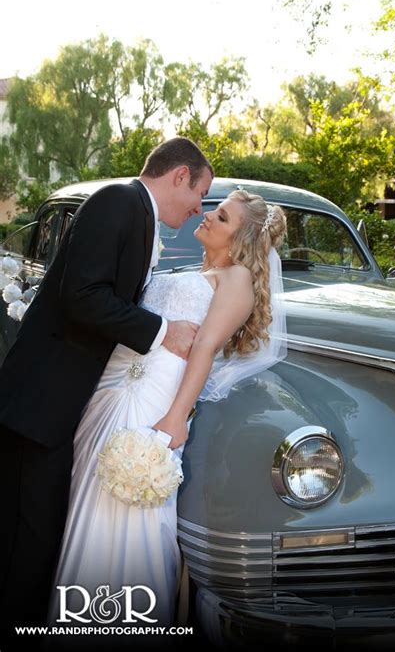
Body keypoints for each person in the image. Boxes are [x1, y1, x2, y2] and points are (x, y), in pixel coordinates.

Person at [47, 189, 287, 644]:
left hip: (154, 399)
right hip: (114, 389)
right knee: (91, 499)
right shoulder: (202, 271)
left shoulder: (235, 279)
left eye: (221, 217)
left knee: (129, 514)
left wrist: (177, 417)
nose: (208, 217)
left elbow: (203, 350)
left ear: (242, 240)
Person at [0, 137, 213, 645]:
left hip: (63, 405)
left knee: (38, 534)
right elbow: (83, 297)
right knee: (27, 537)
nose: (198, 208)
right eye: (200, 194)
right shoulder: (118, 201)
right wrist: (163, 330)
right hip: (40, 404)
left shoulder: (137, 214)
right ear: (179, 175)